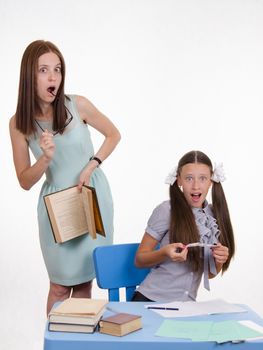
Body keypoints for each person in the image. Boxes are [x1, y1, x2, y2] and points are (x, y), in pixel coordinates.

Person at [9, 40, 121, 315]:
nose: (52, 77)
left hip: (90, 197)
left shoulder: (78, 105)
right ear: (29, 76)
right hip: (56, 206)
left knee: (83, 284)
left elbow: (113, 134)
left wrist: (92, 164)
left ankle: (77, 342)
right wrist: (45, 159)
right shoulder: (18, 123)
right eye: (43, 70)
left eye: (57, 69)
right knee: (59, 286)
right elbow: (24, 180)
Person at [132, 150, 235, 302]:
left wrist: (219, 261)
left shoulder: (213, 215)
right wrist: (164, 252)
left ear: (211, 181)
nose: (195, 186)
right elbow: (139, 260)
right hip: (150, 300)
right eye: (188, 178)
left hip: (185, 307)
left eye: (202, 178)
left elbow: (210, 274)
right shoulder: (167, 210)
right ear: (179, 180)